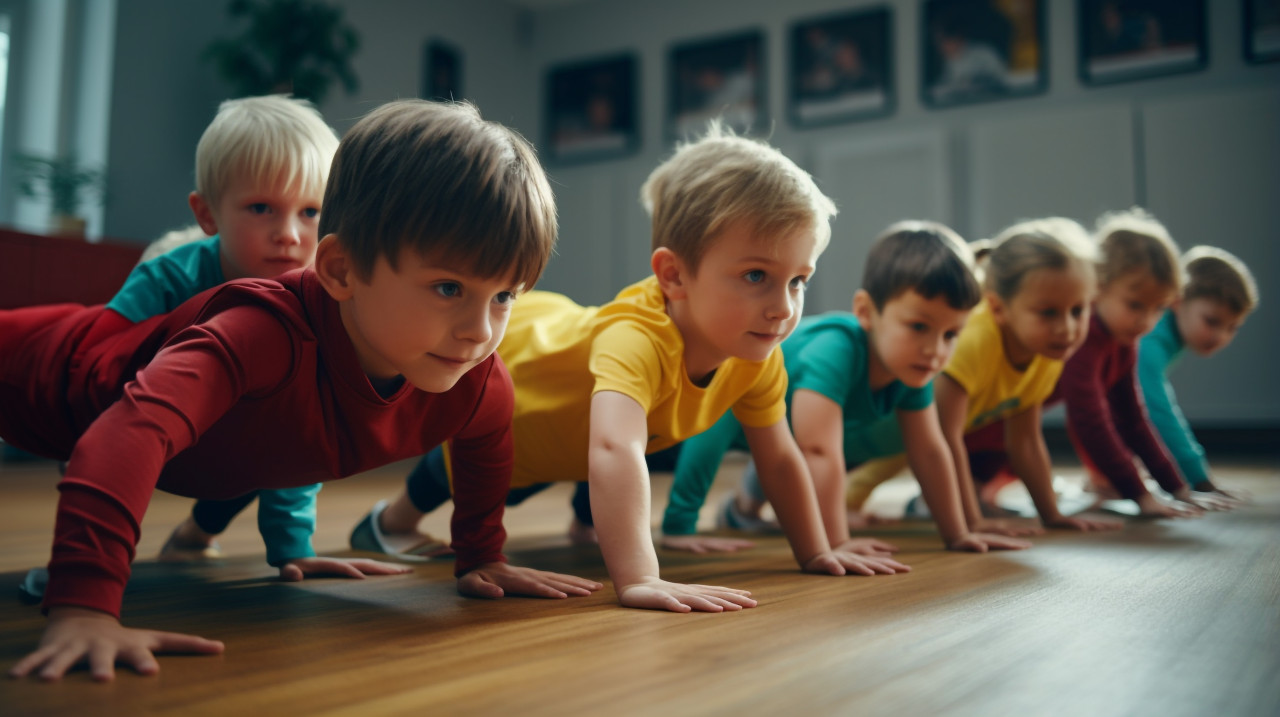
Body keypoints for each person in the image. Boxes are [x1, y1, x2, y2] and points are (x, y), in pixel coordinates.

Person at [4, 99, 600, 681]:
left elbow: (485, 447)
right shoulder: (260, 333)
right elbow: (123, 435)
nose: (480, 332)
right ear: (339, 269)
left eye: (504, 296)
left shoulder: (477, 380)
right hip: (40, 372)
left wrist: (482, 554)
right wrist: (83, 605)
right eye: (448, 288)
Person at [355, 122, 908, 615]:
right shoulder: (638, 337)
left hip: (572, 441)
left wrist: (816, 549)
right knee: (452, 476)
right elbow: (614, 450)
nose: (783, 307)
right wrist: (641, 577)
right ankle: (390, 522)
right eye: (756, 276)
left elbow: (780, 456)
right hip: (522, 390)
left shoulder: (756, 353)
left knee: (604, 454)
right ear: (673, 275)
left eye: (798, 280)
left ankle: (585, 520)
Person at [89, 95, 358, 576]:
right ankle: (89, 556)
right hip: (145, 419)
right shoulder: (165, 279)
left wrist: (293, 549)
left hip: (235, 432)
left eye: (312, 212)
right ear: (208, 214)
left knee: (282, 430)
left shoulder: (318, 299)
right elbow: (95, 367)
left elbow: (303, 436)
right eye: (262, 208)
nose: (289, 234)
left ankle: (196, 535)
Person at [660, 221, 1032, 555]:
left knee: (787, 450)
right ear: (867, 312)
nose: (935, 350)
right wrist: (836, 541)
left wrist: (958, 534)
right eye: (919, 327)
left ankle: (741, 510)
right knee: (717, 434)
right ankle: (678, 525)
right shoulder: (836, 349)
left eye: (951, 334)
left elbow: (930, 453)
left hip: (783, 424)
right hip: (732, 392)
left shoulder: (913, 369)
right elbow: (818, 450)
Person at [920, 218, 1120, 533]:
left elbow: (1025, 441)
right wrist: (973, 522)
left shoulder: (1048, 348)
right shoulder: (973, 341)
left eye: (1078, 310)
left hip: (912, 442)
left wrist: (1052, 516)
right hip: (872, 433)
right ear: (998, 308)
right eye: (1048, 312)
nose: (1067, 328)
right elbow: (944, 437)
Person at [1060, 208, 1230, 517]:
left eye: (1158, 308)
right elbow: (1090, 422)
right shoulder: (1087, 336)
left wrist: (1178, 488)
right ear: (1098, 287)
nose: (1146, 321)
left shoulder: (1125, 341)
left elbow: (1134, 420)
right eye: (1135, 305)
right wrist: (1141, 495)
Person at [1137, 245, 1257, 500]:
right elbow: (1159, 411)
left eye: (1232, 327)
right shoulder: (1152, 339)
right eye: (1212, 321)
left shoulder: (1170, 336)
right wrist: (1198, 477)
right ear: (1177, 301)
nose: (1220, 336)